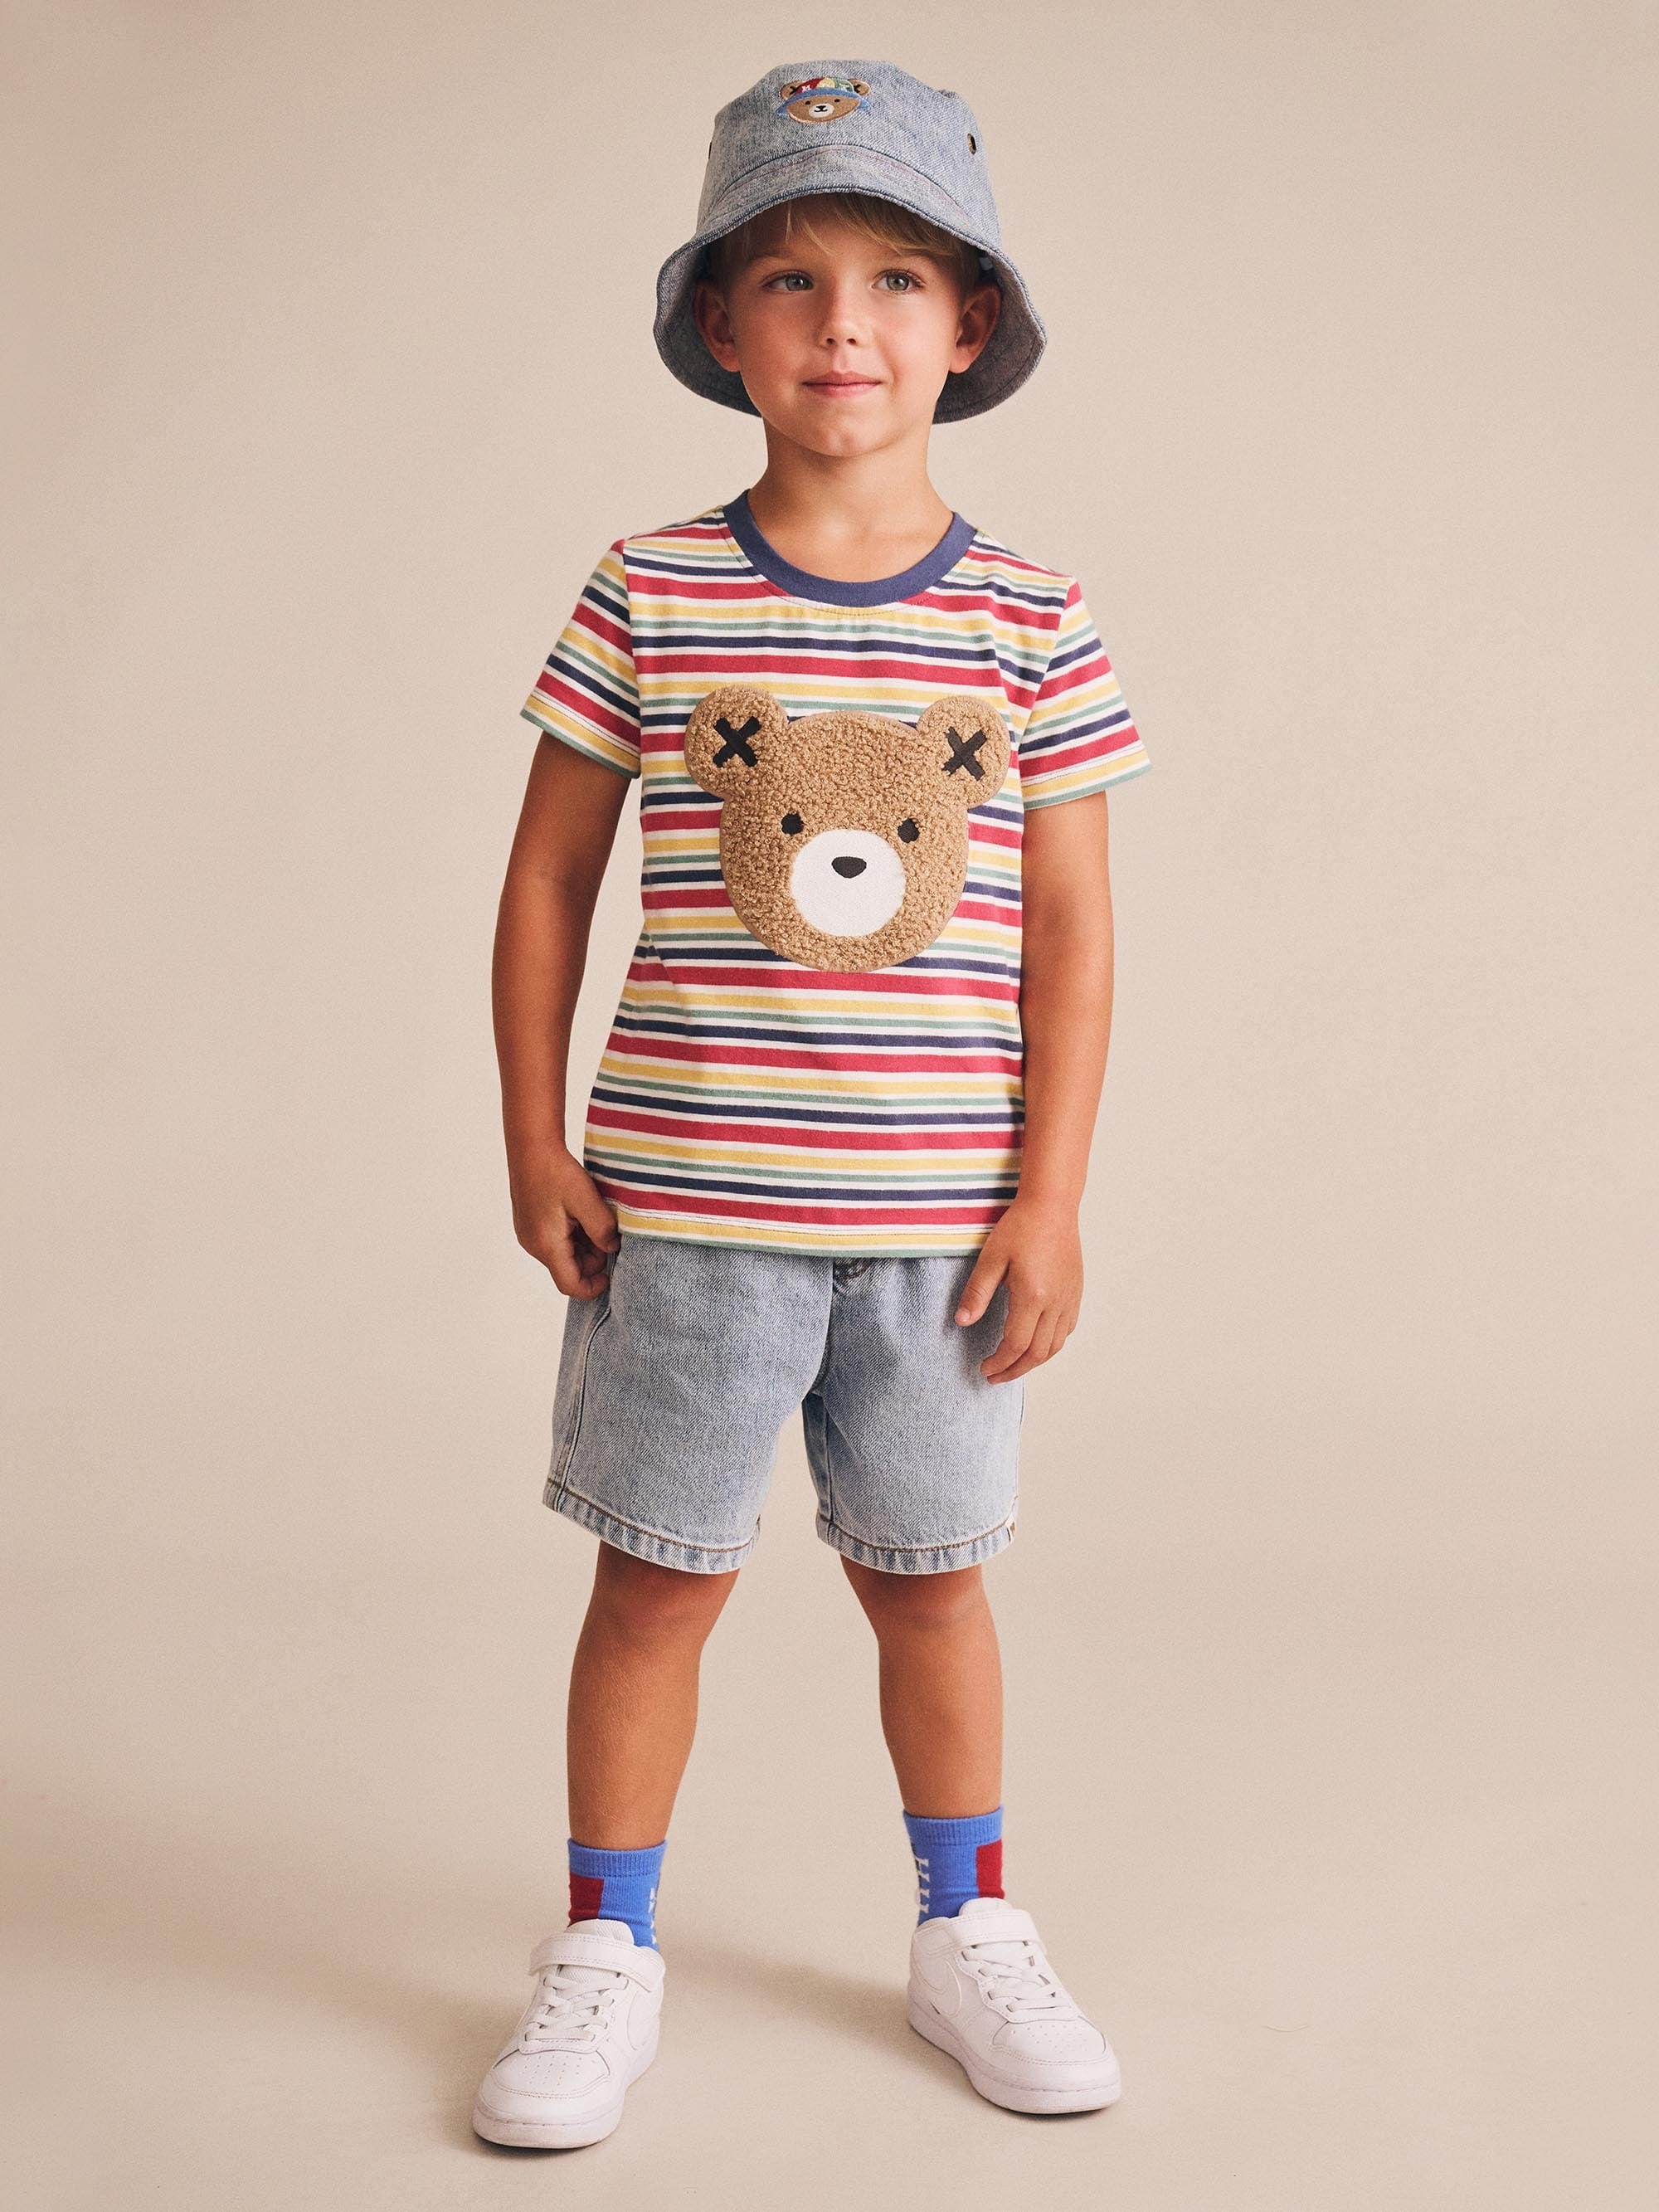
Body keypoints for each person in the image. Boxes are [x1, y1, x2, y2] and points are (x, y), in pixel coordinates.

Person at [473, 59, 1151, 2149]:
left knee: (931, 1578)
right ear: (720, 324)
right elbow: (548, 879)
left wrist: (1049, 1198)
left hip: (940, 1233)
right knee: (655, 1581)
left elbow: (1071, 934)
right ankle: (604, 1944)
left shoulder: (1029, 621)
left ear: (964, 325)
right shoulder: (648, 591)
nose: (840, 324)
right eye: (787, 277)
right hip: (687, 1215)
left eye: (892, 281)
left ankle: (968, 1922)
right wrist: (531, 1137)